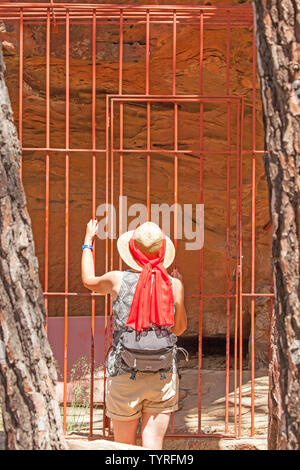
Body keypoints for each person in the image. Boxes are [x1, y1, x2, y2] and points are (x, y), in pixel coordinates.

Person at [81, 219, 187, 449]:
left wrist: (88, 242)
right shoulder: (174, 284)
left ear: (132, 250)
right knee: (153, 446)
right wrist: (179, 290)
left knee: (125, 447)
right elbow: (179, 329)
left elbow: (88, 281)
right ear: (161, 252)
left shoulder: (117, 279)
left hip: (124, 372)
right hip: (162, 374)